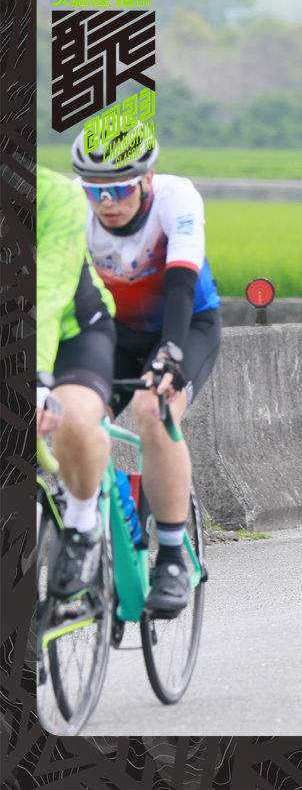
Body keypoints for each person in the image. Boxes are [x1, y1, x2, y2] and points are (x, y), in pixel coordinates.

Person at [73, 124, 222, 617]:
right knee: (73, 416)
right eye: (94, 190)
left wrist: (170, 354)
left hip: (185, 325)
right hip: (113, 331)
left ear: (147, 179)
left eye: (118, 190)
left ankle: (174, 556)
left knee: (152, 409)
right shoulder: (72, 208)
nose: (106, 203)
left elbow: (181, 285)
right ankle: (107, 509)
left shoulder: (177, 199)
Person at [36, 165, 117, 603]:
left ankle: (83, 524)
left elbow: (44, 295)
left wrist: (37, 381)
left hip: (73, 334)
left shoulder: (56, 198)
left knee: (75, 422)